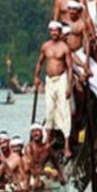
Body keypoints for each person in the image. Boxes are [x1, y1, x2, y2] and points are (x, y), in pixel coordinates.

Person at [34, 21, 75, 153]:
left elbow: (70, 68)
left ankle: (66, 145)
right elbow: (40, 62)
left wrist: (69, 86)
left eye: (56, 31)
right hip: (49, 81)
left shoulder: (64, 47)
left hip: (62, 79)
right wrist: (36, 77)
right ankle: (47, 142)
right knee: (49, 110)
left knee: (64, 110)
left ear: (60, 32)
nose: (54, 33)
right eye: (51, 31)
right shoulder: (45, 46)